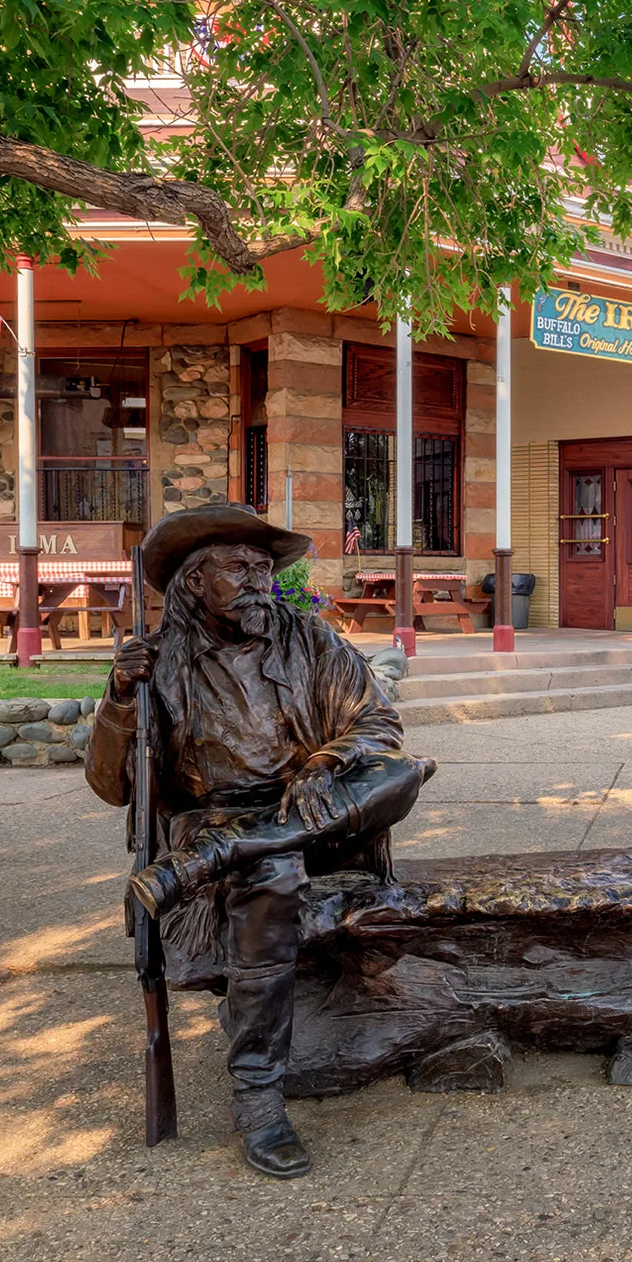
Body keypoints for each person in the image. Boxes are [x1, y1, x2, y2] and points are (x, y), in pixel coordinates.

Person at [85, 504, 432, 1179]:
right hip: (211, 825)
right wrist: (121, 698)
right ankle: (259, 1097)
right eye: (238, 569)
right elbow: (112, 786)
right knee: (272, 874)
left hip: (321, 811)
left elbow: (376, 726)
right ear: (194, 583)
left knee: (401, 773)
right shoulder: (161, 663)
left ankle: (230, 852)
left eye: (264, 569)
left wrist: (322, 764)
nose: (258, 581)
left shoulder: (311, 641)